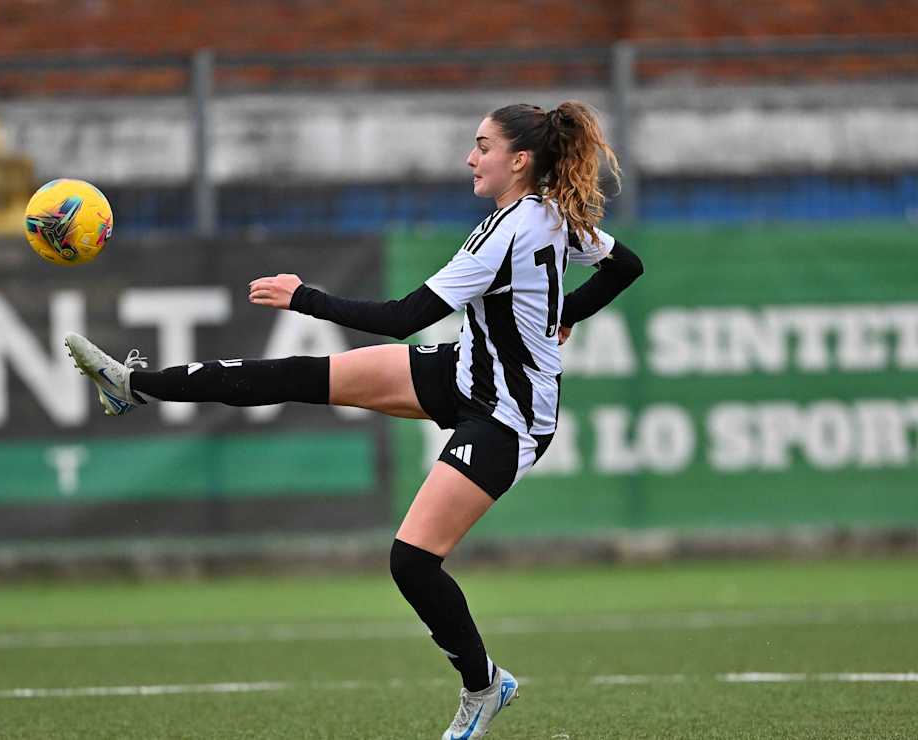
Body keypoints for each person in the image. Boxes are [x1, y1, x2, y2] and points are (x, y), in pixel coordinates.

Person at [67, 100, 642, 739]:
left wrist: (302, 296)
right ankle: (131, 385)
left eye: (482, 145)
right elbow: (626, 266)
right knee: (301, 375)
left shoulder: (507, 231)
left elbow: (403, 317)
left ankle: (485, 685)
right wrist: (566, 316)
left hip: (509, 416)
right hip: (464, 370)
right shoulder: (550, 214)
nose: (470, 157)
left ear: (521, 159)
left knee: (412, 561)